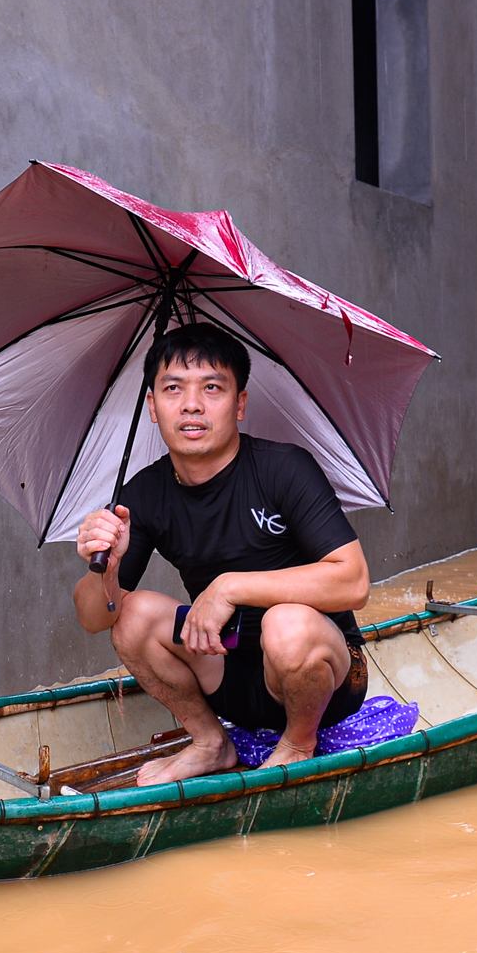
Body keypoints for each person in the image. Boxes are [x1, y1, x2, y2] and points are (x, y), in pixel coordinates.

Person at [72, 321, 371, 786]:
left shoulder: (282, 469)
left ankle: (297, 744)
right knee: (132, 617)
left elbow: (354, 581)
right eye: (173, 389)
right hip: (225, 670)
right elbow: (96, 618)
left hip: (323, 677)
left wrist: (232, 587)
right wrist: (103, 572)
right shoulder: (145, 495)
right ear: (152, 406)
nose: (192, 404)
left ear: (240, 404)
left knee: (285, 624)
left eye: (212, 387)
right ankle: (212, 743)